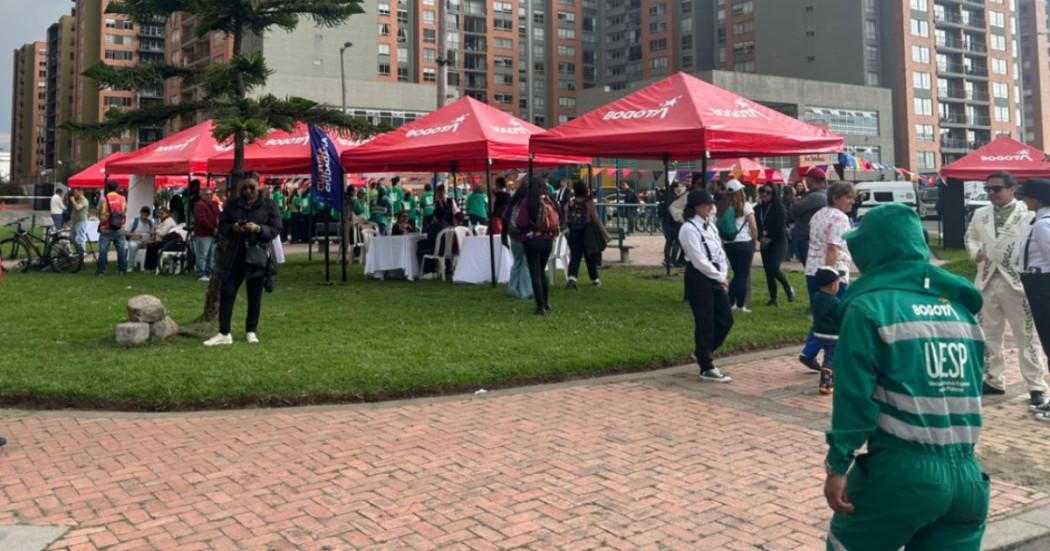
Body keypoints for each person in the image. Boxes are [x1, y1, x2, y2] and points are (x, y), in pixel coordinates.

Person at [823, 203, 988, 551]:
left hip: (903, 474)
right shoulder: (961, 310)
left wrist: (838, 464)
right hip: (968, 478)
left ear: (874, 251)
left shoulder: (869, 308)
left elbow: (855, 400)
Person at [964, 172, 1046, 407]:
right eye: (988, 189)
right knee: (989, 333)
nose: (991, 193)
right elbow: (971, 237)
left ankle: (1036, 385)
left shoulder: (1028, 214)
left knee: (1026, 336)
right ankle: (994, 379)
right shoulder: (980, 213)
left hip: (1018, 282)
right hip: (987, 279)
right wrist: (974, 252)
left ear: (1011, 189)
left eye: (997, 189)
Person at [204, 177, 282, 347]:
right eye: (244, 188)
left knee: (255, 294)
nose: (248, 191)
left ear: (259, 187)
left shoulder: (268, 205)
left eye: (251, 188)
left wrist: (259, 229)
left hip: (257, 254)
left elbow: (276, 228)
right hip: (236, 253)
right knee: (227, 291)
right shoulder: (233, 204)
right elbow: (223, 224)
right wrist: (234, 227)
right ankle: (224, 332)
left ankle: (251, 331)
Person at [800, 182, 856, 372]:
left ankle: (809, 352)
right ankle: (831, 361)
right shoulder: (840, 218)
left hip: (812, 269)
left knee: (821, 315)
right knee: (835, 317)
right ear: (835, 198)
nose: (852, 202)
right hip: (832, 273)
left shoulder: (818, 214)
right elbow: (833, 247)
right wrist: (830, 275)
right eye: (848, 197)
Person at [679, 190, 733, 383]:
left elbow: (719, 251)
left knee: (725, 319)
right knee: (705, 321)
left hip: (715, 275)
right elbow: (698, 258)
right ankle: (706, 365)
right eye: (706, 204)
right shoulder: (688, 228)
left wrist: (723, 274)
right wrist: (719, 276)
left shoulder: (710, 226)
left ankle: (703, 351)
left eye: (711, 203)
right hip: (699, 277)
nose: (710, 207)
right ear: (696, 207)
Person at [1019, 179, 1050, 421]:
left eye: (1026, 195)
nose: (1024, 199)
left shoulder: (1042, 226)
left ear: (1036, 199)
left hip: (1042, 284)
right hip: (1037, 283)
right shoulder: (1039, 221)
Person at [717, 179, 757, 312]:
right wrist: (754, 242)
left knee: (737, 274)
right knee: (742, 276)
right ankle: (740, 305)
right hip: (744, 242)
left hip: (729, 244)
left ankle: (731, 302)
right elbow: (753, 227)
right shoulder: (745, 205)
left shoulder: (722, 207)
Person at [565, 181, 612, 289]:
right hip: (587, 233)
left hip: (573, 232)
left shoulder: (571, 203)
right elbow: (596, 219)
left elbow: (567, 217)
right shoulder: (589, 203)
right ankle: (595, 279)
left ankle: (572, 278)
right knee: (590, 257)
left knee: (575, 257)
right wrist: (606, 234)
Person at [521, 176, 557, 315]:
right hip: (547, 240)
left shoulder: (526, 202)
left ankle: (540, 306)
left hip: (531, 241)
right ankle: (546, 302)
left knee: (535, 274)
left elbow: (521, 222)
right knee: (542, 271)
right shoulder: (548, 201)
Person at [756, 183, 795, 306]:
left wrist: (770, 238)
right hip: (763, 241)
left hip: (778, 241)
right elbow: (755, 226)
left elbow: (781, 225)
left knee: (773, 267)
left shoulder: (779, 207)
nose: (765, 194)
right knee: (768, 271)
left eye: (768, 192)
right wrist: (760, 238)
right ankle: (773, 298)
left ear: (774, 194)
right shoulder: (757, 208)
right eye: (762, 191)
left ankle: (788, 288)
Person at [810, 266, 841, 395]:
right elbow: (840, 316)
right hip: (832, 335)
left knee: (829, 354)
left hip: (818, 332)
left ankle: (832, 378)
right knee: (831, 357)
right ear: (833, 285)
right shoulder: (834, 301)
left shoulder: (817, 296)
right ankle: (825, 383)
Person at [789, 168, 828, 267]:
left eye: (807, 178)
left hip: (808, 238)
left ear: (812, 179)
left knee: (811, 270)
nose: (805, 181)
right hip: (814, 237)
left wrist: (793, 198)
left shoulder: (815, 197)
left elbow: (794, 210)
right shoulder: (824, 194)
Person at [503, 184, 533, 300]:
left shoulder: (511, 205)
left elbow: (505, 220)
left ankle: (513, 288)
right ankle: (526, 291)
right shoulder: (526, 205)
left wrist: (504, 236)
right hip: (524, 235)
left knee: (517, 262)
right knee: (525, 263)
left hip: (513, 236)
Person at [95, 182, 128, 277]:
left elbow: (99, 212)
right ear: (117, 188)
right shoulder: (123, 199)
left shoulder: (103, 199)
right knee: (121, 250)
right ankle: (122, 271)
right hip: (119, 228)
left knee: (103, 251)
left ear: (108, 189)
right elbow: (124, 211)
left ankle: (100, 272)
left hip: (106, 228)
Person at [193, 187, 221, 281]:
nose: (209, 196)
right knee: (202, 255)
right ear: (202, 196)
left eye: (210, 194)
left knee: (210, 255)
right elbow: (202, 220)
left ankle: (208, 273)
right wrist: (213, 229)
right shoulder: (199, 205)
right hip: (203, 234)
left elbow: (219, 216)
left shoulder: (213, 205)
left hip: (212, 233)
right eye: (206, 194)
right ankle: (201, 274)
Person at [144, 207, 179, 271]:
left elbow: (163, 233)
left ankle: (151, 267)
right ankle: (151, 267)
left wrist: (156, 230)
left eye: (162, 213)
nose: (160, 215)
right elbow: (159, 228)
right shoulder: (165, 220)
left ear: (167, 214)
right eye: (159, 214)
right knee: (151, 245)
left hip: (168, 243)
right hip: (165, 241)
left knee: (152, 246)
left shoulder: (169, 221)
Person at [126, 206, 154, 270]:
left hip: (146, 242)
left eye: (146, 214)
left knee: (152, 247)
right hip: (135, 240)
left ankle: (147, 266)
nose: (145, 215)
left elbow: (153, 234)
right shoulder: (134, 221)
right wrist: (135, 234)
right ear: (140, 213)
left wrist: (150, 239)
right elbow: (126, 233)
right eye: (143, 213)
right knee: (133, 246)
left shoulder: (150, 223)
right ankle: (130, 266)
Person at [69, 188, 89, 254]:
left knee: (81, 238)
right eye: (74, 192)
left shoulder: (84, 200)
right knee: (71, 238)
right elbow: (74, 211)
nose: (74, 194)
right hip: (75, 222)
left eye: (75, 192)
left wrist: (73, 200)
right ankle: (78, 251)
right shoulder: (78, 200)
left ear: (80, 192)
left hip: (81, 222)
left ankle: (82, 253)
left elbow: (78, 208)